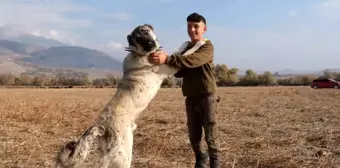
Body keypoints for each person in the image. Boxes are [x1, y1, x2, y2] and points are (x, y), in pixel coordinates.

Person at [148, 12, 221, 168]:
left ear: (204, 29)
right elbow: (180, 70)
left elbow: (192, 61)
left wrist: (167, 59)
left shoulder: (207, 47)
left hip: (207, 96)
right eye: (189, 26)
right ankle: (201, 158)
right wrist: (161, 63)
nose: (192, 30)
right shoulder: (185, 48)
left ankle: (215, 163)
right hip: (191, 98)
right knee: (194, 136)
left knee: (210, 134)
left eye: (196, 26)